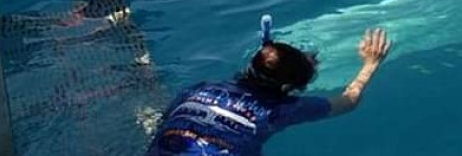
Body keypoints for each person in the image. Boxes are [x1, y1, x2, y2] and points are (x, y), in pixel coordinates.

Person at [146, 16, 392, 155]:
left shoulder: (197, 90)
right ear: (287, 88)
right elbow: (349, 102)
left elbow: (163, 123)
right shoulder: (279, 111)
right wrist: (370, 64)